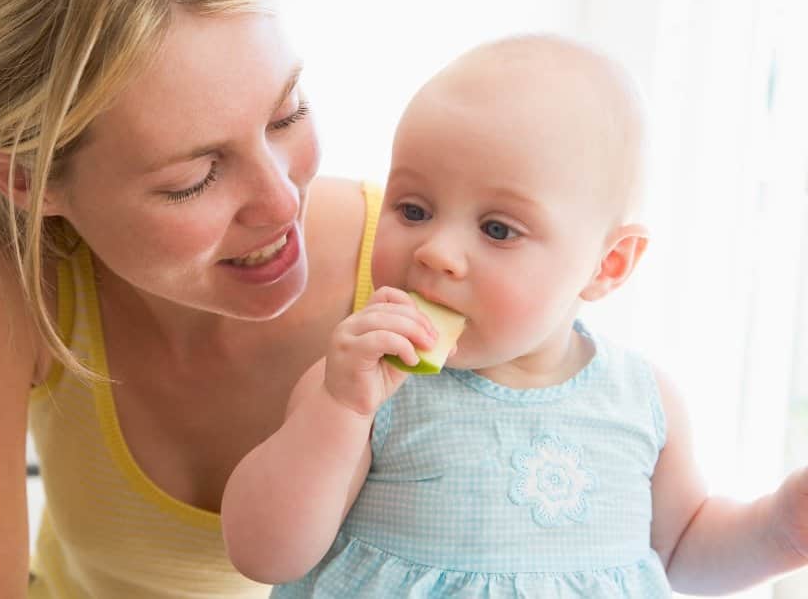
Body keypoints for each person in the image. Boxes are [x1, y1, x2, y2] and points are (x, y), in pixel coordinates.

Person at [0, 0, 384, 597]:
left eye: (286, 113)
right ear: (24, 178)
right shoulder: (20, 274)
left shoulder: (436, 273)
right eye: (194, 177)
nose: (280, 201)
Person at [220, 35, 808, 598]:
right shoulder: (362, 389)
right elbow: (266, 555)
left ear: (607, 265)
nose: (437, 253)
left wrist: (781, 528)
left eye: (498, 229)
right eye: (414, 208)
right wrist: (340, 412)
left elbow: (681, 551)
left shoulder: (643, 402)